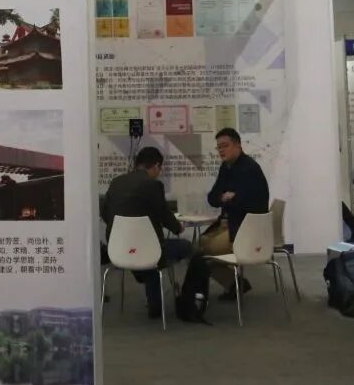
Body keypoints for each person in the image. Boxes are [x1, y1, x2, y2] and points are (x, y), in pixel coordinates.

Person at [102, 146, 192, 318]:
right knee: (185, 246)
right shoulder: (153, 185)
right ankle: (183, 297)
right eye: (160, 168)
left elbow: (106, 213)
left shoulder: (116, 182)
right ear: (156, 165)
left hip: (118, 251)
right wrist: (178, 227)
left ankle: (153, 300)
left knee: (146, 251)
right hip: (148, 251)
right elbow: (164, 214)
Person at [200, 128, 270, 300]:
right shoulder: (226, 167)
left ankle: (231, 286)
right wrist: (226, 197)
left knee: (202, 254)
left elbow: (248, 204)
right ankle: (235, 284)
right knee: (198, 247)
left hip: (247, 231)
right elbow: (212, 198)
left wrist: (230, 198)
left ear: (238, 145)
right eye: (218, 147)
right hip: (230, 226)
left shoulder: (250, 169)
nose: (221, 150)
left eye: (225, 145)